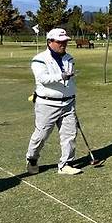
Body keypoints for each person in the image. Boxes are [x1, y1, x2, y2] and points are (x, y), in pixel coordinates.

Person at [26, 28, 82, 175]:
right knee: (41, 135)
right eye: (60, 42)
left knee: (70, 134)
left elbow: (70, 79)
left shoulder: (69, 58)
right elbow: (43, 79)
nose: (63, 44)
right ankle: (32, 159)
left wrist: (71, 91)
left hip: (68, 102)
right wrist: (61, 76)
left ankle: (65, 164)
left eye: (65, 41)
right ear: (50, 42)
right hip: (47, 103)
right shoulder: (39, 59)